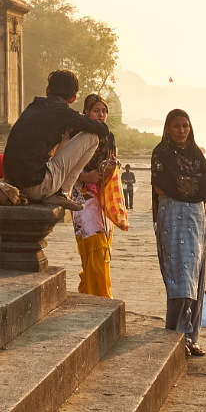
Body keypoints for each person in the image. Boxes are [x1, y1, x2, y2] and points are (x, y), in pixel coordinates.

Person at [151, 108, 206, 356]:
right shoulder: (161, 153)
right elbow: (162, 186)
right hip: (172, 219)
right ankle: (175, 336)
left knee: (195, 278)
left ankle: (191, 337)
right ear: (167, 128)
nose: (181, 130)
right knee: (180, 277)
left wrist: (182, 186)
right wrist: (190, 187)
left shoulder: (196, 154)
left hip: (196, 221)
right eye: (176, 126)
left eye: (185, 126)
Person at [2, 69, 112, 208]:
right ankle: (62, 192)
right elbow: (102, 129)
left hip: (13, 182)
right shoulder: (62, 112)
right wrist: (77, 122)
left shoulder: (34, 106)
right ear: (73, 98)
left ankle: (57, 191)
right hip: (35, 187)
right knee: (92, 137)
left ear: (47, 90)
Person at [69, 95, 128, 298]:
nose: (101, 114)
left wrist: (108, 171)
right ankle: (99, 296)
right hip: (81, 196)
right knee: (93, 243)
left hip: (102, 195)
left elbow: (111, 161)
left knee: (104, 246)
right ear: (86, 112)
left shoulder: (109, 137)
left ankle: (94, 292)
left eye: (103, 110)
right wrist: (87, 176)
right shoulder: (77, 134)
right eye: (96, 110)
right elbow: (65, 167)